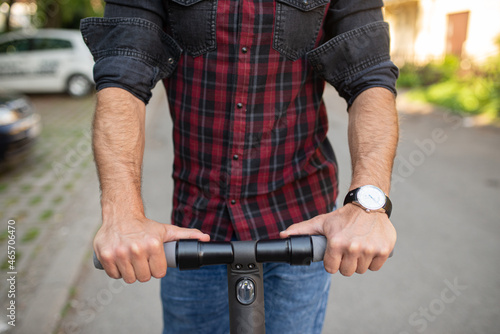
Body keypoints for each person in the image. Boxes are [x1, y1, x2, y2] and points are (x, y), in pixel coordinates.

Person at [81, 0, 398, 332]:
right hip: (197, 227)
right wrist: (122, 213)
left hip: (302, 222)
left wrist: (367, 203)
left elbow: (370, 76)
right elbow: (123, 74)